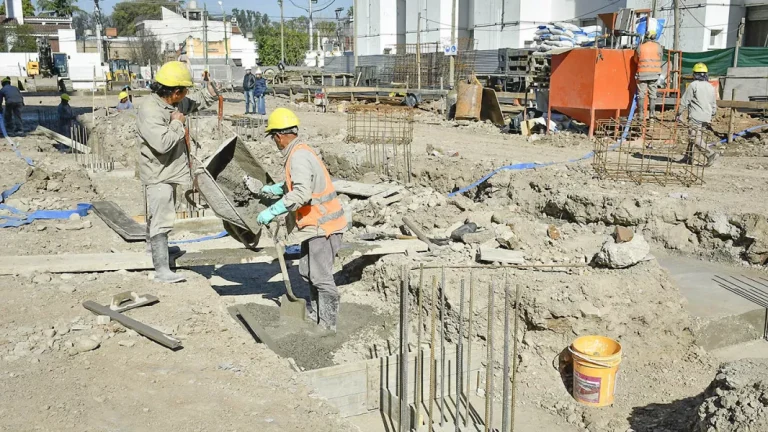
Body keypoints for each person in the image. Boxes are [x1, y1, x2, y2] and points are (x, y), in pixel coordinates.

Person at [257, 108, 347, 332]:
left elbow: (302, 194)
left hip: (323, 225)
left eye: (273, 138)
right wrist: (276, 189)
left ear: (279, 136)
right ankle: (317, 313)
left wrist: (273, 211)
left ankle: (328, 325)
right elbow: (300, 184)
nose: (275, 143)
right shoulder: (299, 151)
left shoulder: (298, 156)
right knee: (307, 271)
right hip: (314, 225)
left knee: (320, 276)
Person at [136, 60, 218, 283]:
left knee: (160, 211)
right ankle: (161, 269)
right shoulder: (150, 110)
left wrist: (211, 91)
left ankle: (154, 250)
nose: (186, 94)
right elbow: (162, 144)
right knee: (161, 217)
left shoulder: (175, 102)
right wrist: (177, 124)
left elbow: (195, 102)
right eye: (184, 91)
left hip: (170, 169)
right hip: (158, 171)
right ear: (174, 92)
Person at [677, 62, 718, 167]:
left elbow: (685, 101)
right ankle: (688, 157)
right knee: (695, 136)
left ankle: (710, 153)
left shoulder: (693, 85)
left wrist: (679, 113)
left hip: (696, 116)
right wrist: (712, 114)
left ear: (694, 74)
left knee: (694, 137)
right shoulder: (710, 86)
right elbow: (714, 103)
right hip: (706, 116)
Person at [635, 29, 663, 126]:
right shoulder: (658, 47)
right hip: (654, 74)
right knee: (653, 95)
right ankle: (651, 116)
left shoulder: (640, 47)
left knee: (641, 95)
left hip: (642, 74)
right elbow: (660, 58)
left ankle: (641, 115)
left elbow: (635, 59)